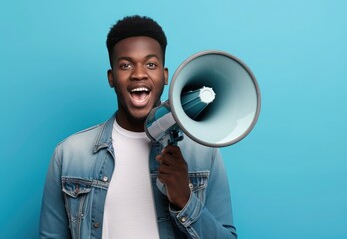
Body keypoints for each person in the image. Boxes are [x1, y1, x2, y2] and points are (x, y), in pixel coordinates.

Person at [39, 15, 237, 239]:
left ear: (164, 76)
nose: (139, 74)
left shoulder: (204, 153)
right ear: (112, 78)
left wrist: (185, 200)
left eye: (151, 64)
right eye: (126, 65)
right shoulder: (70, 154)